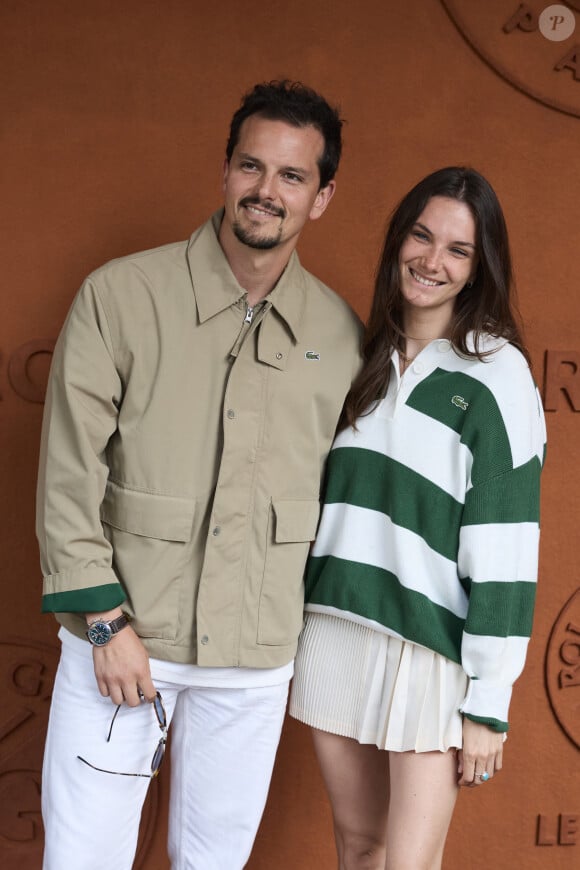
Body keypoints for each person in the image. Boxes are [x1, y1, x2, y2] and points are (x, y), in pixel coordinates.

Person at [37, 80, 361, 870]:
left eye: (292, 177)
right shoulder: (121, 295)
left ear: (322, 197)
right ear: (223, 171)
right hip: (119, 643)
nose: (266, 191)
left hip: (250, 667)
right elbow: (68, 476)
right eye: (251, 167)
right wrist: (105, 626)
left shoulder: (341, 335)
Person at [289, 166, 546, 870]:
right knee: (358, 849)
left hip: (430, 648)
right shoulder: (358, 355)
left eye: (458, 250)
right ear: (399, 239)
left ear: (478, 267)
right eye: (422, 235)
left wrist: (489, 700)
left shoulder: (498, 377)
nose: (432, 261)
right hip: (337, 628)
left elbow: (506, 547)